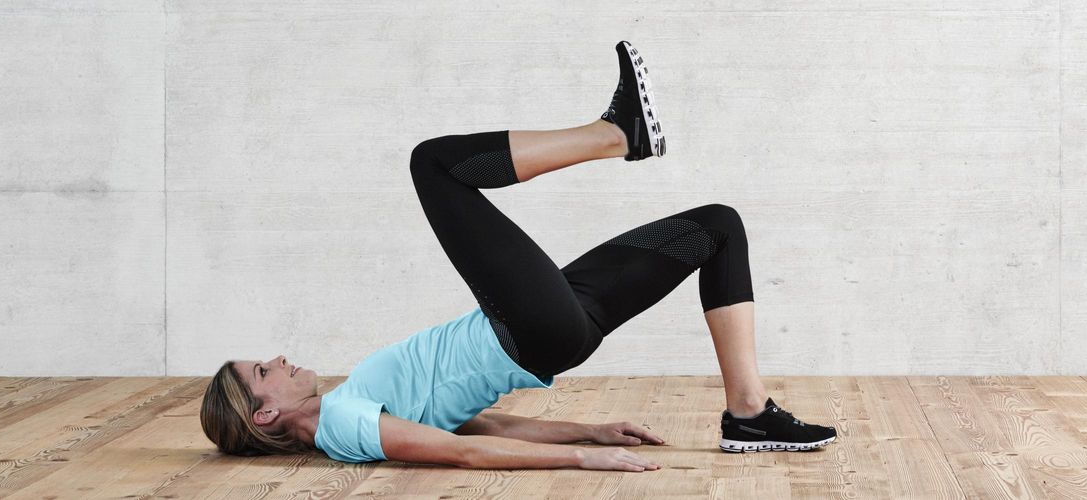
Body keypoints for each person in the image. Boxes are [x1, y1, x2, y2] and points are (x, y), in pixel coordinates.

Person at [199, 41, 837, 472]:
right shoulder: (340, 426)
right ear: (265, 412)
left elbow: (478, 430)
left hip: (555, 328)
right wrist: (583, 461)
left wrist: (589, 431)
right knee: (433, 164)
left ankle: (749, 414)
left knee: (717, 228)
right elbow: (460, 456)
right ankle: (616, 134)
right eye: (263, 369)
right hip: (526, 328)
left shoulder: (348, 411)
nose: (276, 359)